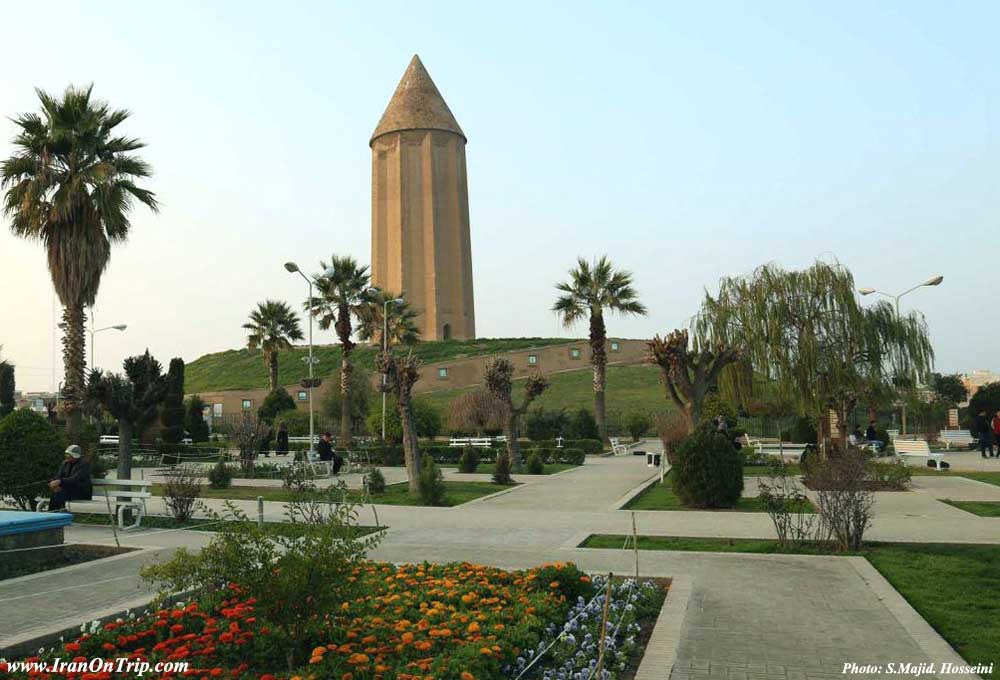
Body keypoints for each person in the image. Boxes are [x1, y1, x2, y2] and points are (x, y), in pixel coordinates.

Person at [47, 445, 93, 511]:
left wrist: (60, 481)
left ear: (74, 456)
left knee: (59, 493)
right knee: (56, 492)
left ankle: (56, 513)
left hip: (81, 492)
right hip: (68, 490)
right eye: (66, 454)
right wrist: (54, 483)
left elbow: (74, 479)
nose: (66, 456)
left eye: (68, 454)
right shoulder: (65, 463)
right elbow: (58, 476)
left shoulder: (83, 465)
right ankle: (54, 513)